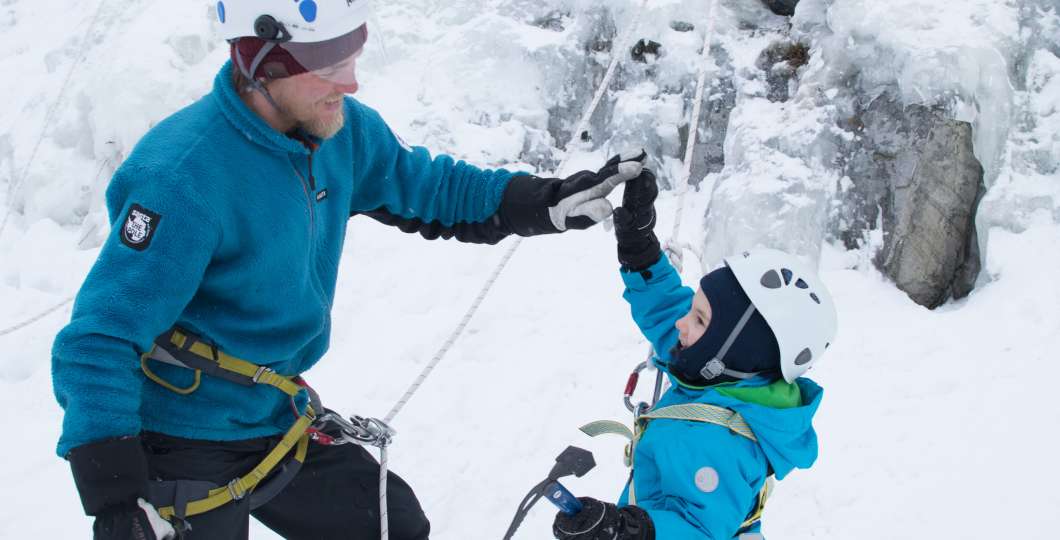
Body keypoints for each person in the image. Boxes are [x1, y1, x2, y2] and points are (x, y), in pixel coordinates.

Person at [51, 1, 651, 538]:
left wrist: (541, 201)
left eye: (352, 52)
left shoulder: (337, 129)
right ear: (262, 60)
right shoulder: (181, 177)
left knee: (393, 525)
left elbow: (429, 186)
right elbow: (99, 338)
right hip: (181, 439)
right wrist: (117, 499)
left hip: (274, 415)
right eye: (329, 62)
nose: (352, 79)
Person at [551, 172, 837, 539]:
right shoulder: (720, 374)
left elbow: (698, 530)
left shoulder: (720, 443)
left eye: (699, 318)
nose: (682, 324)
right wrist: (642, 254)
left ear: (737, 352)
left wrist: (627, 531)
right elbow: (672, 311)